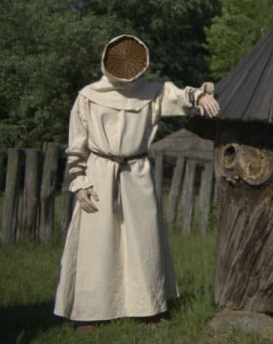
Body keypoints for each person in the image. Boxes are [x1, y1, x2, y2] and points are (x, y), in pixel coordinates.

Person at [54, 34, 219, 332]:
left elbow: (180, 95)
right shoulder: (88, 96)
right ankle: (90, 312)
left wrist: (200, 96)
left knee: (144, 242)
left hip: (136, 174)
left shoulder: (151, 93)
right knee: (97, 244)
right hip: (100, 173)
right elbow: (76, 144)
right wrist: (79, 182)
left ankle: (148, 308)